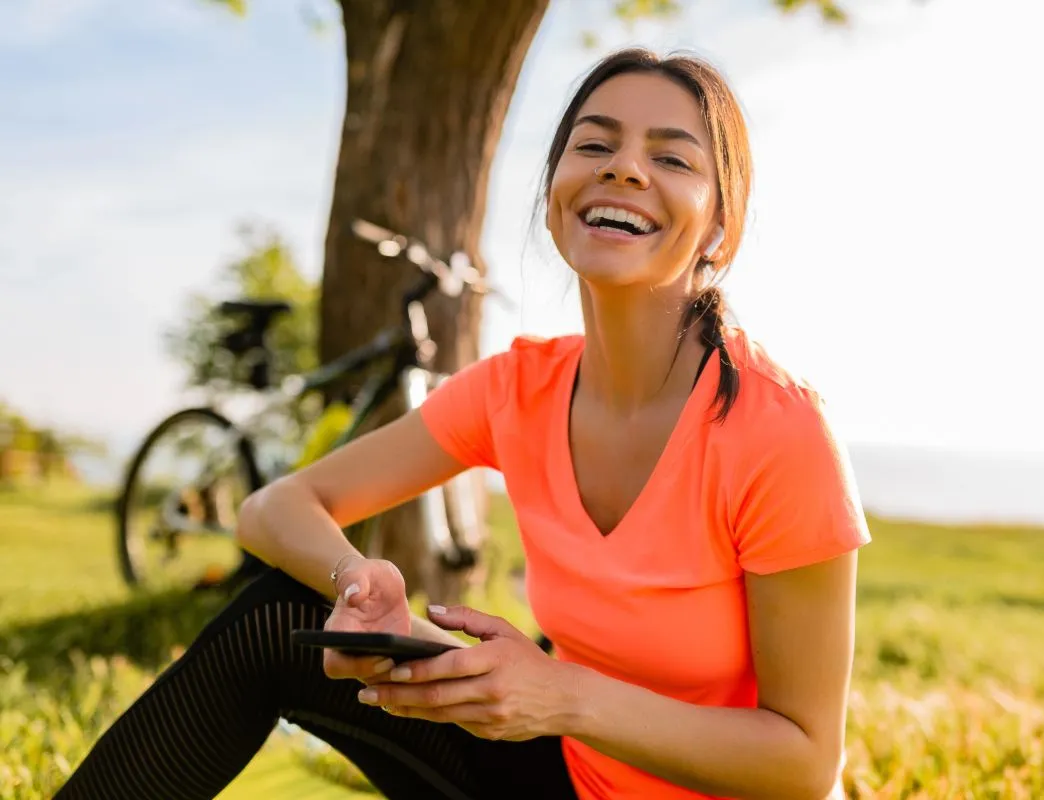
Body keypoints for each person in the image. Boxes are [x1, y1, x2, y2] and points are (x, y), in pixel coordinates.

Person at [55, 47, 871, 800]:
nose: (623, 168)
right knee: (276, 614)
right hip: (563, 771)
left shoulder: (776, 431)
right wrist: (359, 586)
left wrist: (562, 697)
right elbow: (271, 511)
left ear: (721, 228)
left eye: (670, 157)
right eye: (594, 146)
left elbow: (802, 763)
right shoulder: (520, 388)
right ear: (555, 196)